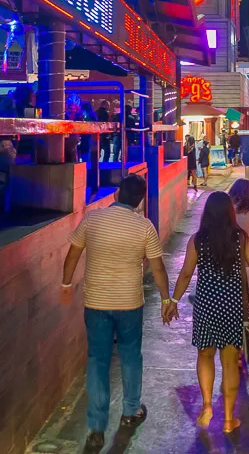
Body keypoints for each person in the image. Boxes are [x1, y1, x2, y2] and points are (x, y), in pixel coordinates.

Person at [62, 174, 172, 451]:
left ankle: (96, 428)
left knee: (98, 361)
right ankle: (130, 411)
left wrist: (65, 283)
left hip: (96, 304)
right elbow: (158, 267)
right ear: (140, 200)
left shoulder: (92, 219)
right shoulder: (145, 227)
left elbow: (73, 253)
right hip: (129, 304)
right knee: (130, 357)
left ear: (116, 194)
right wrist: (166, 298)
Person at [166, 192, 249, 433]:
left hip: (206, 304)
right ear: (230, 212)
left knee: (205, 355)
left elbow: (186, 273)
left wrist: (173, 300)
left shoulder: (198, 240)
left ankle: (207, 405)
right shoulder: (239, 238)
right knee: (230, 364)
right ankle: (229, 419)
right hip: (232, 305)